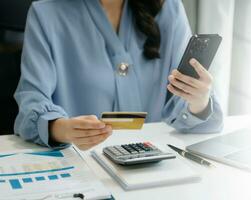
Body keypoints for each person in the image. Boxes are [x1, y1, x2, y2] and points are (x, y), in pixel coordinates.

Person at [14, 0, 223, 150]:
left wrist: (198, 101)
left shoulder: (169, 8)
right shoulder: (46, 12)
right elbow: (32, 100)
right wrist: (62, 129)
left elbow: (183, 105)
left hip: (156, 165)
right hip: (82, 167)